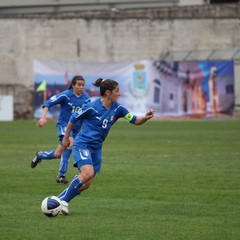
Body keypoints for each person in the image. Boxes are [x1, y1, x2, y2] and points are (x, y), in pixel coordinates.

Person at [49, 78, 154, 215]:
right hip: (83, 144)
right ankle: (59, 202)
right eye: (117, 91)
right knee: (88, 173)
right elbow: (72, 120)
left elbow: (134, 120)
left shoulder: (118, 109)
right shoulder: (92, 106)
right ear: (108, 92)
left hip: (96, 148)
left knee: (86, 184)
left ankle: (60, 201)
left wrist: (145, 118)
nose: (119, 94)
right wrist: (65, 139)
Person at [31, 75, 91, 184]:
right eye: (79, 85)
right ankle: (61, 175)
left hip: (76, 129)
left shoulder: (86, 99)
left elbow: (89, 113)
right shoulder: (66, 95)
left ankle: (40, 155)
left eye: (83, 85)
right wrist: (43, 117)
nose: (81, 87)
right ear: (73, 85)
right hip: (64, 125)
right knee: (70, 143)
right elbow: (48, 103)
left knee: (58, 154)